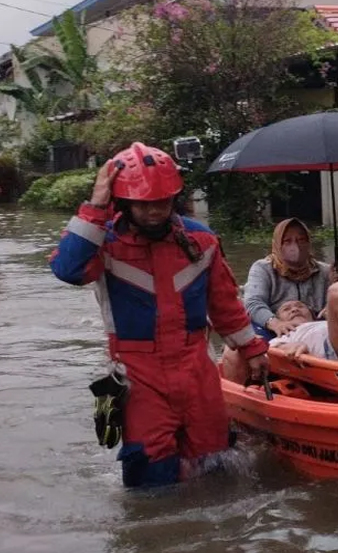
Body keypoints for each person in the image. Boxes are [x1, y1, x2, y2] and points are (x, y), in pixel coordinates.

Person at [49, 142, 269, 489]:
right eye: (144, 204)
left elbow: (225, 304)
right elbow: (67, 268)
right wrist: (96, 204)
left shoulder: (201, 240)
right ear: (124, 202)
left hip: (196, 366)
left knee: (216, 467)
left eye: (162, 202)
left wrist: (252, 349)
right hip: (139, 376)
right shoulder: (102, 244)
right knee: (150, 482)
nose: (154, 211)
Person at [243, 217, 338, 340]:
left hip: (317, 330)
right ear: (278, 244)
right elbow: (253, 303)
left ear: (309, 243)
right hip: (273, 330)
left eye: (301, 240)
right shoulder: (263, 268)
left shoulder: (326, 271)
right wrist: (276, 324)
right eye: (287, 241)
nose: (295, 246)